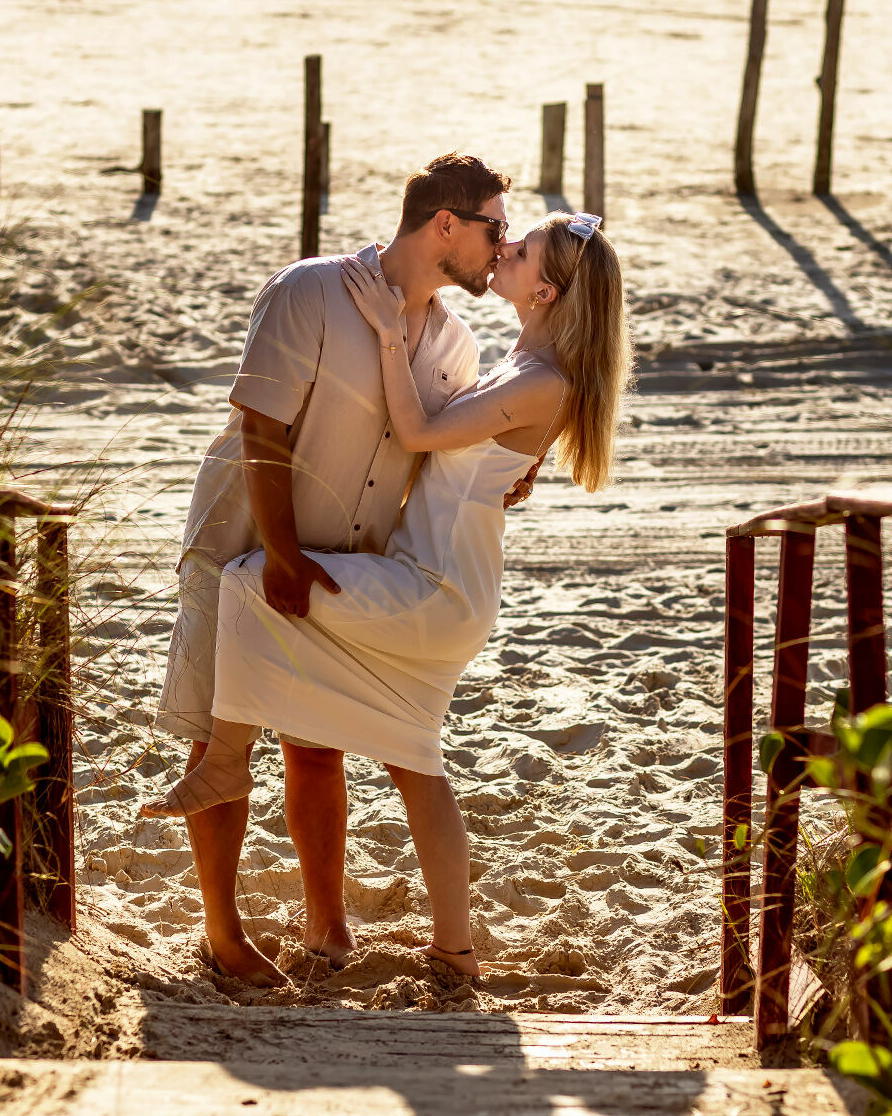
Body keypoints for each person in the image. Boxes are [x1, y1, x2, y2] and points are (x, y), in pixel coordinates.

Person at [149, 210, 631, 977]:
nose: (505, 249)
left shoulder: (540, 378)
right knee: (415, 756)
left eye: (522, 245)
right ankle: (454, 950)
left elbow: (413, 432)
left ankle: (226, 758)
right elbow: (469, 452)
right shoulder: (515, 362)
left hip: (433, 585)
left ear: (543, 289)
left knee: (251, 584)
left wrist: (382, 328)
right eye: (504, 234)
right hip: (438, 577)